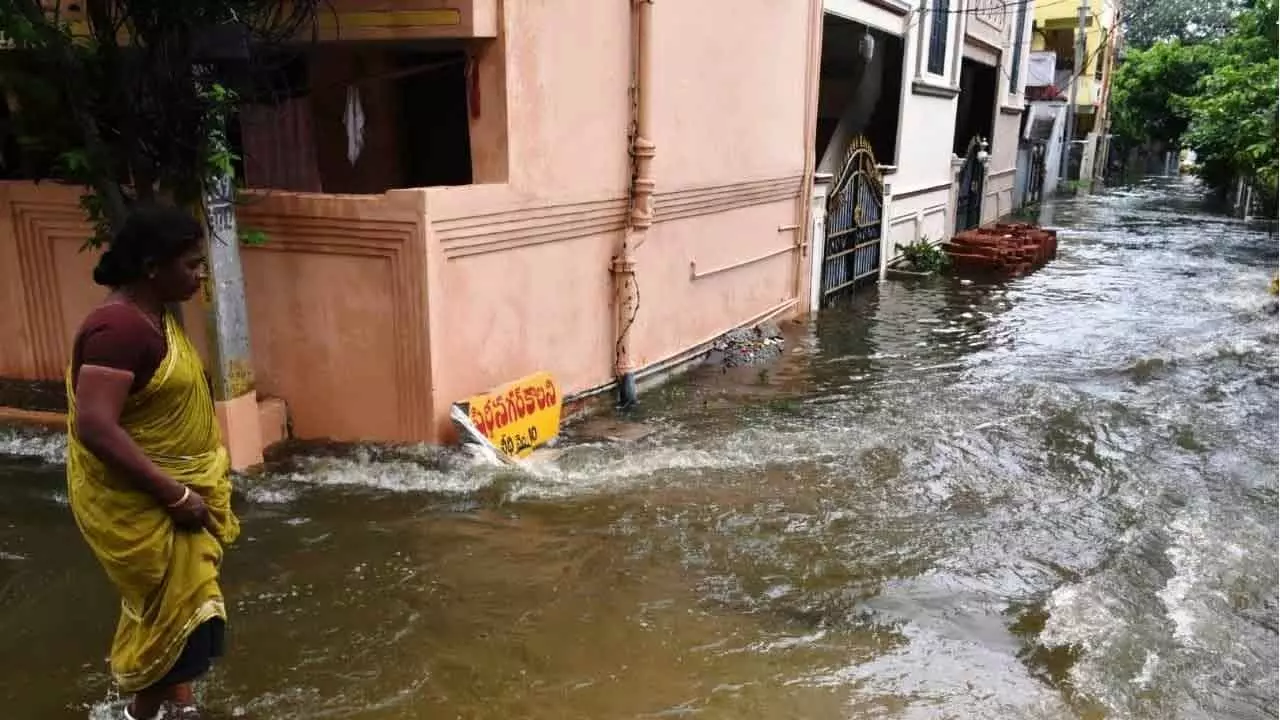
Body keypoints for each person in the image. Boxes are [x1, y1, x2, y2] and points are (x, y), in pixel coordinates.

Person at [65, 204, 239, 720]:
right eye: (190, 264)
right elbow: (95, 425)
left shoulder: (152, 317)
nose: (200, 273)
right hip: (147, 503)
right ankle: (139, 715)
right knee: (173, 616)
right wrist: (175, 492)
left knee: (183, 610)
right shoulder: (119, 330)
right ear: (150, 266)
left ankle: (179, 711)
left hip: (172, 494)